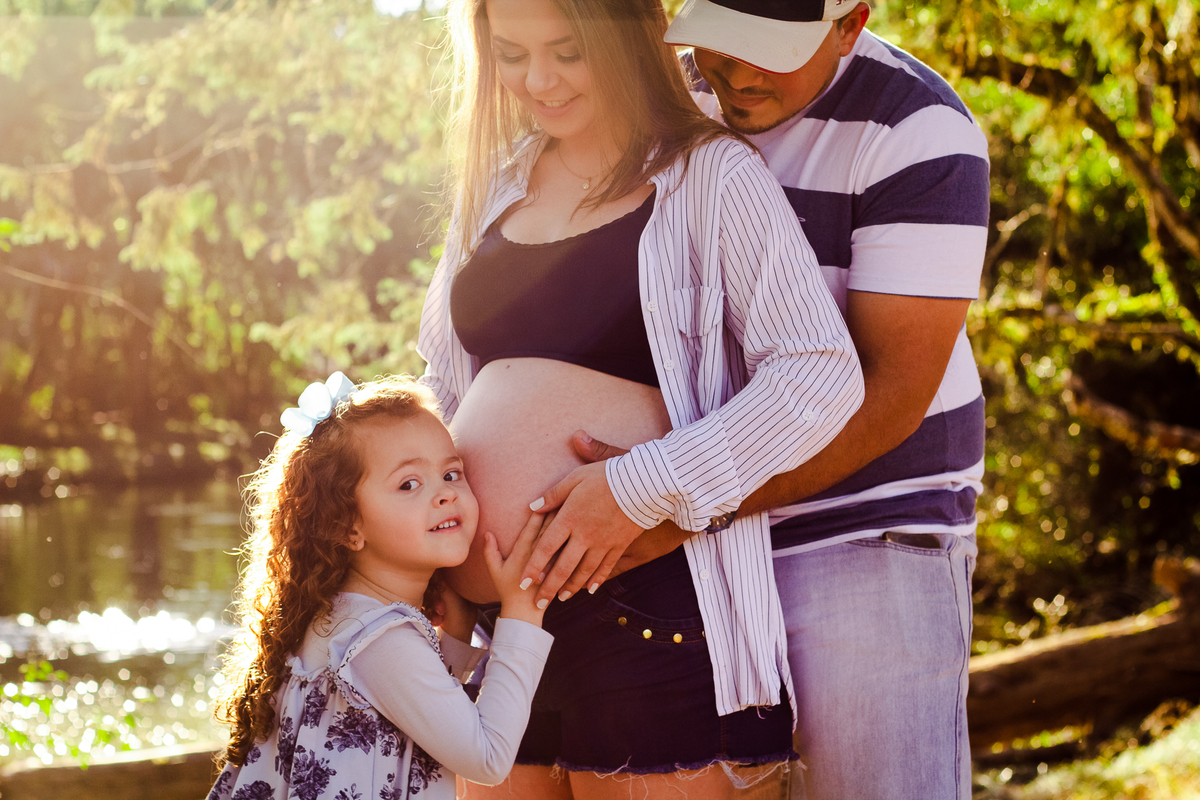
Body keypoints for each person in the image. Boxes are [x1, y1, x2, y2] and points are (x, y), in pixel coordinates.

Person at [416, 0, 864, 795]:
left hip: (653, 606)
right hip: (496, 631)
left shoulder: (708, 174)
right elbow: (447, 384)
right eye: (512, 54)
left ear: (626, 40)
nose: (538, 80)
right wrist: (424, 553)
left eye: (566, 51)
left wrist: (637, 486)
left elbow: (819, 369)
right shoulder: (493, 188)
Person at [554, 1, 991, 798]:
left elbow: (889, 397)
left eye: (770, 53)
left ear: (849, 24)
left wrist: (672, 501)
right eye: (722, 47)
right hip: (690, 540)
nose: (739, 75)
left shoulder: (918, 131)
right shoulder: (667, 104)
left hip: (864, 528)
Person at [207, 373, 553, 800]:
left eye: (451, 473)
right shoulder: (379, 639)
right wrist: (523, 612)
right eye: (409, 483)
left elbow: (418, 710)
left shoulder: (343, 614)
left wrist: (458, 630)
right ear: (346, 525)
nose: (445, 494)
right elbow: (487, 759)